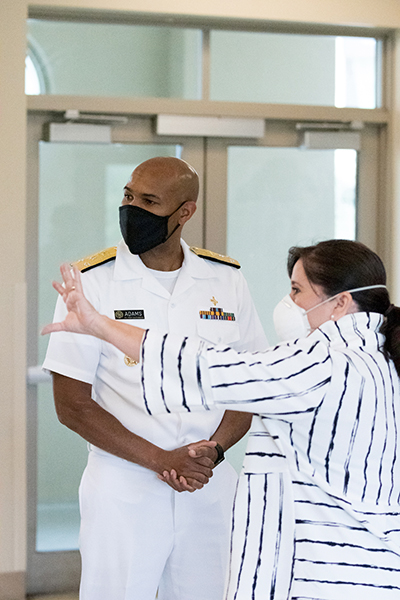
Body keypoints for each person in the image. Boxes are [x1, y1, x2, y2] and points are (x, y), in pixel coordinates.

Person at [43, 239, 400, 600]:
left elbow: (208, 366)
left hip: (327, 572)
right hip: (364, 566)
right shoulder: (382, 359)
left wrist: (99, 325)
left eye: (297, 290)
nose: (289, 303)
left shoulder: (323, 363)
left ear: (340, 302)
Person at [42, 156, 268, 600]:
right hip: (124, 485)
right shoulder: (91, 283)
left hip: (208, 484)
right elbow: (72, 405)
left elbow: (250, 383)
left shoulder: (224, 279)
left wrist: (212, 450)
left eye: (149, 201)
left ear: (185, 212)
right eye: (128, 196)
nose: (133, 209)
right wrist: (163, 459)